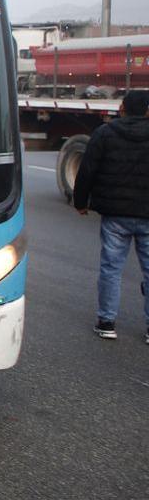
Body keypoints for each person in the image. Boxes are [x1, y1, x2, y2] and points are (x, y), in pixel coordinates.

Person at [73, 89, 149, 341]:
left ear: (123, 108)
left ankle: (106, 322)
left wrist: (81, 202)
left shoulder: (104, 133)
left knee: (111, 269)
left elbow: (87, 171)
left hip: (115, 214)